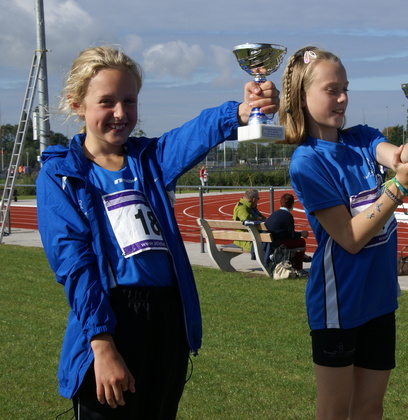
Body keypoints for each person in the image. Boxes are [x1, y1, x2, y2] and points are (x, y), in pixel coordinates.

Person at [36, 45, 279, 418]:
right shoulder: (61, 175)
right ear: (77, 105)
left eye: (129, 101)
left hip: (167, 318)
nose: (120, 113)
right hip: (112, 320)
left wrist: (243, 112)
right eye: (106, 102)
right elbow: (74, 264)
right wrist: (101, 345)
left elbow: (193, 134)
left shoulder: (148, 160)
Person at [279, 46, 408, 419]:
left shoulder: (362, 137)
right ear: (303, 98)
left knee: (370, 408)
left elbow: (398, 157)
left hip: (380, 298)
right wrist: (398, 188)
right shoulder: (307, 161)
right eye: (331, 90)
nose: (343, 98)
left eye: (346, 88)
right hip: (340, 304)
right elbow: (350, 238)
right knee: (334, 411)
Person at [265, 193, 309, 272]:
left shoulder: (274, 214)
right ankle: (298, 267)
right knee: (301, 242)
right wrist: (301, 233)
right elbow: (292, 235)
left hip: (269, 243)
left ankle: (299, 260)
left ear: (281, 202)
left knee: (294, 242)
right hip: (278, 243)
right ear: (292, 204)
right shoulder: (288, 216)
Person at [232, 188, 267, 257]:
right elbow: (246, 220)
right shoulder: (242, 208)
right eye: (258, 198)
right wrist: (256, 219)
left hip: (252, 237)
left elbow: (264, 218)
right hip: (246, 240)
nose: (258, 200)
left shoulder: (250, 207)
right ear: (254, 199)